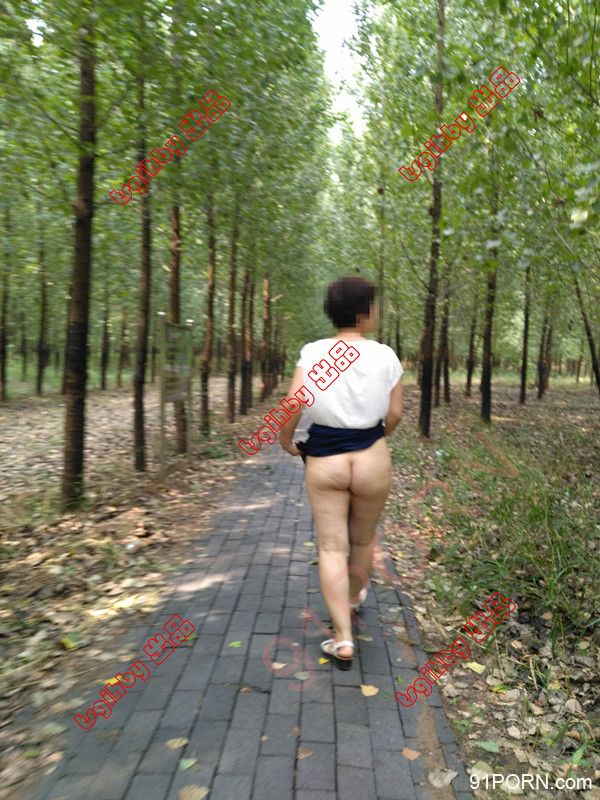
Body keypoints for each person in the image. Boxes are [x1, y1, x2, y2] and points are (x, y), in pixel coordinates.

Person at [279, 276, 404, 669]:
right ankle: (352, 598)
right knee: (363, 540)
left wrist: (287, 441)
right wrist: (372, 437)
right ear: (365, 313)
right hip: (371, 457)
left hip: (325, 459)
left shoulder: (313, 352)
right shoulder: (385, 355)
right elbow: (395, 414)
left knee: (332, 547)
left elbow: (293, 403)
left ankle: (343, 639)